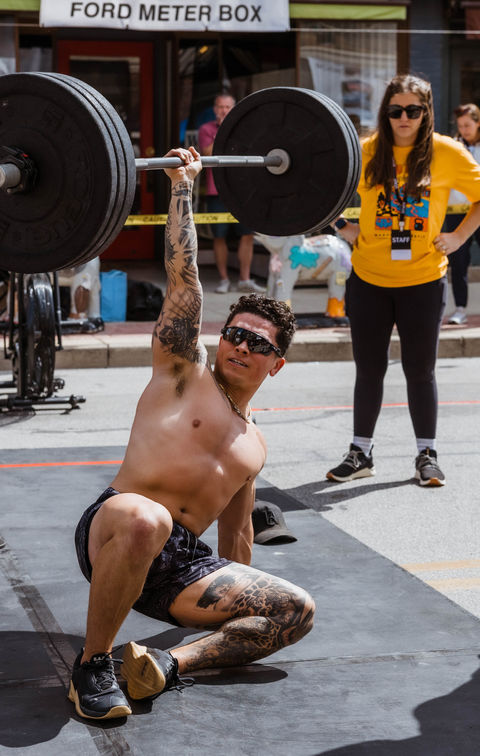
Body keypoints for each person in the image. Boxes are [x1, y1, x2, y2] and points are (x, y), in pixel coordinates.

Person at [69, 146, 314, 721]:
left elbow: (237, 539)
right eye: (236, 334)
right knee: (148, 518)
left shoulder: (254, 445)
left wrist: (242, 603)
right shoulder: (183, 372)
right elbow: (185, 282)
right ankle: (93, 665)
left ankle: (166, 665)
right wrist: (184, 187)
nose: (242, 346)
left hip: (180, 567)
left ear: (276, 364)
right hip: (119, 527)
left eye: (259, 343)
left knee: (296, 610)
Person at [326, 74, 480, 488]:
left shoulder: (447, 152)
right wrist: (344, 227)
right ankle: (360, 453)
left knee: (420, 370)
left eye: (413, 110)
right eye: (396, 110)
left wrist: (458, 237)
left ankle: (427, 455)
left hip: (423, 280)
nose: (404, 118)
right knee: (369, 369)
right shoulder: (366, 150)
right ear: (386, 111)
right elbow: (323, 189)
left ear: (426, 112)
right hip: (369, 280)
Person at [197, 93, 266, 294]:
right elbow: (207, 153)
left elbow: (253, 150)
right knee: (219, 236)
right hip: (216, 190)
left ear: (234, 108)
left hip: (243, 190)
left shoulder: (244, 128)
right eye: (220, 107)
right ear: (214, 109)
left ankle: (244, 279)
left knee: (247, 235)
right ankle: (224, 279)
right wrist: (223, 131)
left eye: (228, 107)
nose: (224, 111)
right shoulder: (206, 129)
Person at [444, 104, 480, 324]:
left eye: (468, 125)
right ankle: (460, 309)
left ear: (478, 123)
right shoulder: (454, 147)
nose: (464, 129)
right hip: (457, 212)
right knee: (458, 262)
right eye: (460, 126)